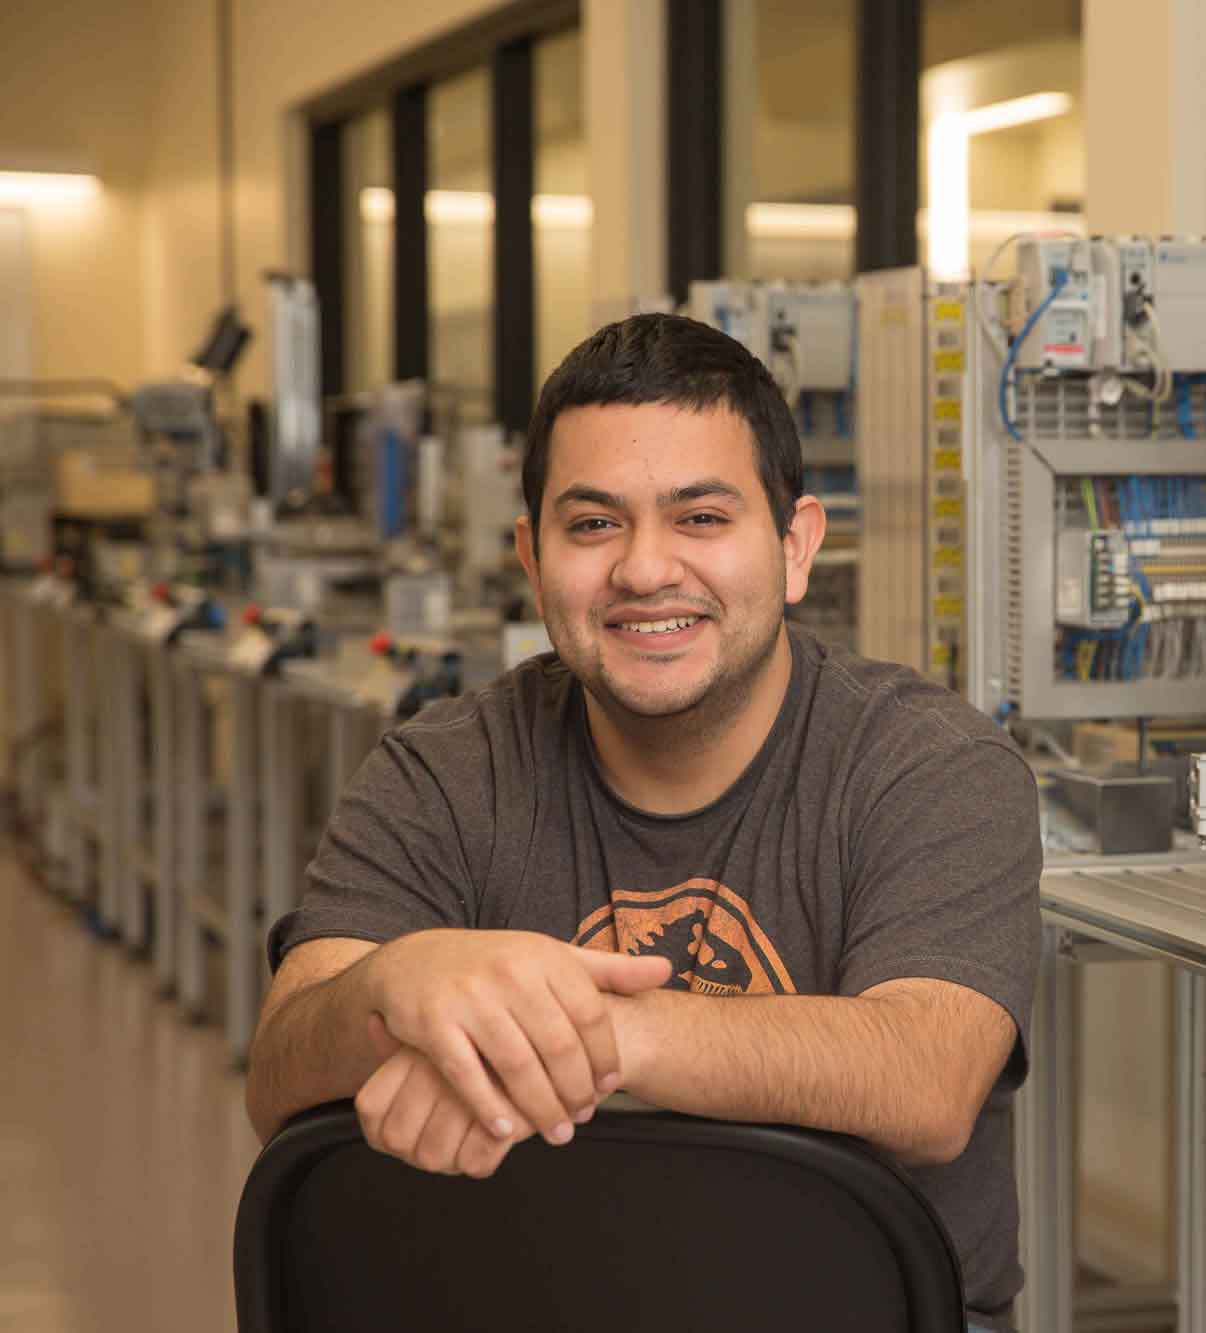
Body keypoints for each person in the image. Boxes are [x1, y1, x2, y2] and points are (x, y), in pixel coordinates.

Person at [244, 313, 1044, 1326]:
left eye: (700, 518)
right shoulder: (444, 771)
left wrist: (567, 1036)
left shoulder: (928, 766)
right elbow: (280, 1070)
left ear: (795, 548)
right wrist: (389, 984)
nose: (643, 569)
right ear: (533, 559)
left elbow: (925, 1077)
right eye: (593, 524)